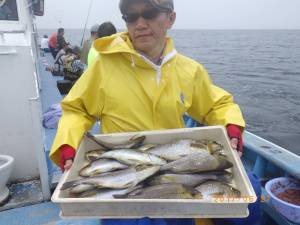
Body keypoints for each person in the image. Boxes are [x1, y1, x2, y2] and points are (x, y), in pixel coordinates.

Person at [50, 0, 246, 225]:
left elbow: (216, 105)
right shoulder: (103, 67)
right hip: (124, 191)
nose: (140, 23)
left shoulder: (189, 70)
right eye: (131, 17)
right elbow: (77, 109)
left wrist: (231, 125)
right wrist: (68, 144)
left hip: (174, 174)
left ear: (170, 18)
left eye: (150, 13)